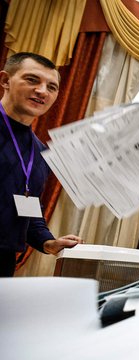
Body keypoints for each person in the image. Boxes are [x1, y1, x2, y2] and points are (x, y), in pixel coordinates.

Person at [0, 52, 83, 277]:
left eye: (52, 87)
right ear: (5, 81)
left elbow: (28, 207)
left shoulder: (40, 151)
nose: (42, 91)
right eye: (32, 80)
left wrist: (48, 242)